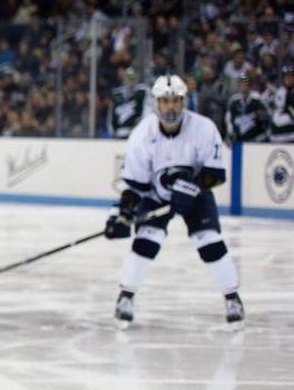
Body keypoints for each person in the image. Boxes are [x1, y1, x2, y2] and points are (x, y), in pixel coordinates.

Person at [104, 74, 243, 328]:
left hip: (197, 194)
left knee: (208, 241)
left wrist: (193, 187)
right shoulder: (142, 133)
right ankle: (125, 297)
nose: (170, 107)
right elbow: (135, 184)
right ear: (156, 103)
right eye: (165, 101)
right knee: (147, 238)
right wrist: (122, 213)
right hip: (157, 196)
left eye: (176, 101)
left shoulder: (203, 128)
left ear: (184, 102)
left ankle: (232, 297)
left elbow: (216, 174)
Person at [106, 68, 151, 140]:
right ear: (124, 79)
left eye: (132, 78)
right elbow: (111, 116)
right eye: (128, 78)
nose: (130, 81)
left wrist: (140, 131)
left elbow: (147, 113)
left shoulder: (143, 92)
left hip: (136, 134)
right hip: (119, 135)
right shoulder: (117, 95)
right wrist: (113, 132)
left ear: (137, 79)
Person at [225, 73, 270, 142]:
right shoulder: (233, 100)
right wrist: (230, 132)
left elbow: (265, 116)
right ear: (239, 85)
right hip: (240, 138)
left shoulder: (257, 98)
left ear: (250, 85)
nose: (244, 86)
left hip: (256, 138)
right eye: (242, 84)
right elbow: (229, 118)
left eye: (246, 84)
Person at [269, 66, 294, 143]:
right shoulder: (280, 92)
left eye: (291, 76)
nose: (289, 79)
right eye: (286, 76)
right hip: (279, 135)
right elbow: (277, 119)